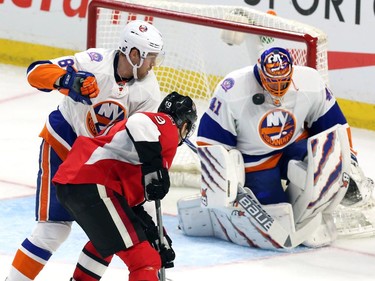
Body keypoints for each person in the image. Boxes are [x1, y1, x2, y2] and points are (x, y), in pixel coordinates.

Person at [7, 20, 165, 281]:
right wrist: (68, 80)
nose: (154, 64)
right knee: (52, 231)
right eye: (151, 58)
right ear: (134, 55)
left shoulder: (148, 90)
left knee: (109, 233)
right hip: (64, 144)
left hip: (97, 160)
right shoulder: (92, 62)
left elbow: (137, 138)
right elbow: (35, 72)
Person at [177, 47, 374, 249]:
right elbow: (211, 140)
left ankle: (319, 214)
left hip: (296, 145)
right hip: (255, 160)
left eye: (284, 81)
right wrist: (222, 182)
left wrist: (348, 160)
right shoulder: (233, 89)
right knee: (278, 213)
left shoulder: (310, 82)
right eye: (272, 81)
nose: (278, 88)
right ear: (261, 73)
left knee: (329, 173)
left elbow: (334, 126)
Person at [53, 91, 197, 281]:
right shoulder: (166, 124)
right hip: (93, 183)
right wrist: (154, 165)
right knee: (146, 260)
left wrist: (153, 233)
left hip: (79, 184)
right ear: (184, 125)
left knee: (108, 242)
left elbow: (131, 206)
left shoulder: (144, 145)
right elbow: (138, 121)